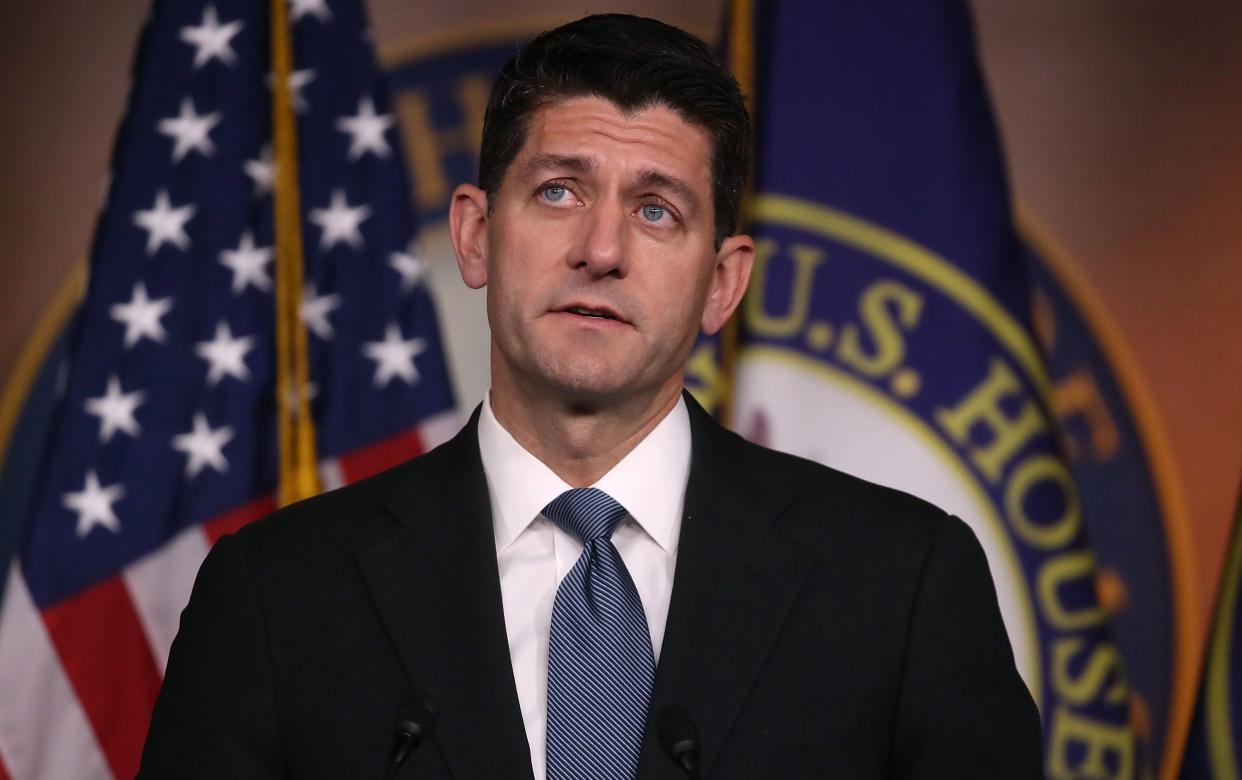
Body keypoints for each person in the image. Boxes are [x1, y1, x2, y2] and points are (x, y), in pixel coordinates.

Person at [139, 13, 1042, 779]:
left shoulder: (903, 584)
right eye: (560, 190)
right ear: (476, 235)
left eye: (658, 210)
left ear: (723, 283)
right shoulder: (272, 596)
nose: (601, 248)